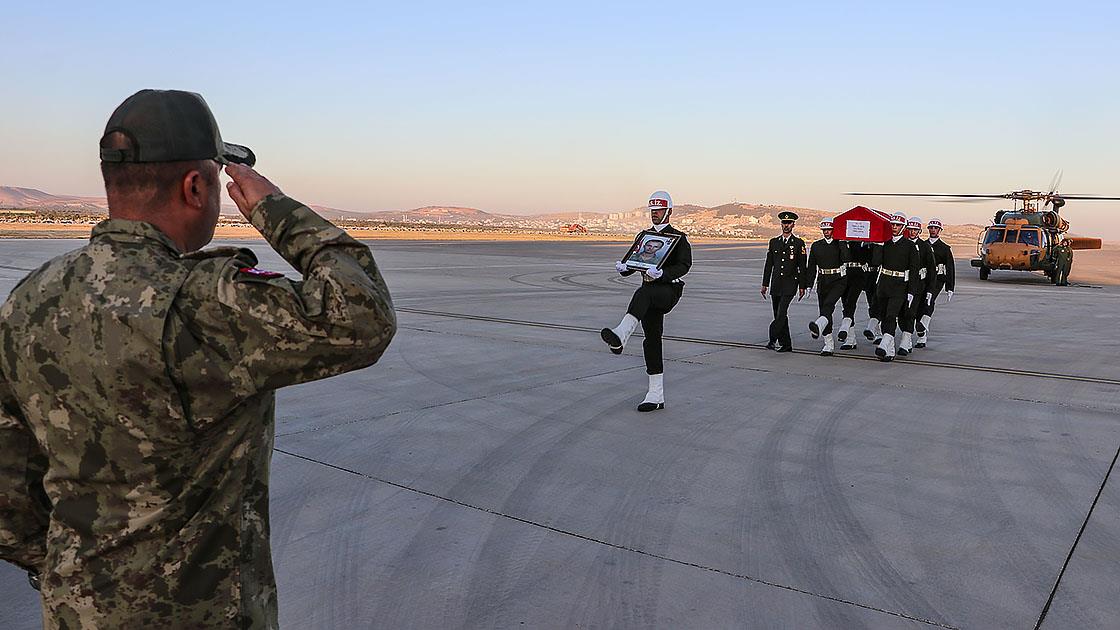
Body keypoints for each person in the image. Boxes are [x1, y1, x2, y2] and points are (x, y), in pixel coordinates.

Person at [0, 89, 397, 628]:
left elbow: (7, 480)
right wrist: (274, 209)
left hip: (77, 610)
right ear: (195, 186)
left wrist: (65, 568)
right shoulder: (207, 301)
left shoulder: (31, 298)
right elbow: (362, 316)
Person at [601, 190, 691, 412]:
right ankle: (655, 394)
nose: (655, 214)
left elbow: (685, 265)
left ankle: (622, 334)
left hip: (668, 291)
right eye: (652, 210)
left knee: (643, 293)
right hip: (649, 293)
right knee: (652, 340)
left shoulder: (678, 238)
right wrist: (624, 268)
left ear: (669, 211)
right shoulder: (644, 236)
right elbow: (635, 261)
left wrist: (664, 274)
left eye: (659, 210)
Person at [872, 213, 921, 361]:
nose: (894, 227)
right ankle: (890, 351)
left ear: (903, 227)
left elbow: (914, 270)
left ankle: (884, 344)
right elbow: (876, 262)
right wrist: (878, 246)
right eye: (893, 225)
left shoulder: (910, 246)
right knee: (885, 316)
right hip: (885, 284)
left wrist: (912, 291)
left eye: (898, 225)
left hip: (900, 285)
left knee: (891, 315)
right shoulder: (886, 244)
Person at [761, 211, 807, 352]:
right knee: (778, 314)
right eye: (784, 223)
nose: (786, 225)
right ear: (781, 224)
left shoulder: (799, 243)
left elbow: (802, 266)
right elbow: (769, 264)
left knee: (781, 313)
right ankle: (786, 344)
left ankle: (772, 339)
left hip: (789, 284)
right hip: (776, 284)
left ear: (793, 225)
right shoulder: (774, 242)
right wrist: (765, 284)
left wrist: (802, 286)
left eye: (789, 223)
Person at [804, 219, 849, 356]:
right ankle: (828, 344)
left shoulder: (839, 243)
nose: (827, 232)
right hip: (823, 280)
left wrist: (842, 242)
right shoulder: (817, 246)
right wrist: (809, 285)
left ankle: (819, 325)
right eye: (824, 230)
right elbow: (811, 267)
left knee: (829, 304)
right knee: (824, 309)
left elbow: (847, 258)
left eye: (829, 229)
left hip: (838, 279)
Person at [898, 216, 936, 355]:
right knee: (901, 315)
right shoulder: (903, 244)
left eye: (915, 230)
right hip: (902, 284)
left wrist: (930, 289)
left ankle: (906, 340)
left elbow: (931, 269)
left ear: (919, 231)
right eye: (910, 229)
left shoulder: (925, 247)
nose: (912, 232)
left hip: (918, 286)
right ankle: (906, 336)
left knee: (911, 313)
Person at [918, 218, 955, 347]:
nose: (933, 230)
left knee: (929, 300)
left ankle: (924, 326)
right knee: (920, 302)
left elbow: (950, 268)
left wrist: (950, 287)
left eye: (935, 228)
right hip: (924, 278)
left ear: (940, 230)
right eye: (931, 228)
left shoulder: (945, 248)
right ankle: (921, 333)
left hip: (938, 280)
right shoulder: (922, 246)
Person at [839, 240, 875, 350]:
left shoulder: (865, 242)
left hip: (861, 273)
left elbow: (868, 258)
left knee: (854, 302)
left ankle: (876, 330)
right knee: (846, 304)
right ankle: (851, 338)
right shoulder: (843, 241)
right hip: (845, 273)